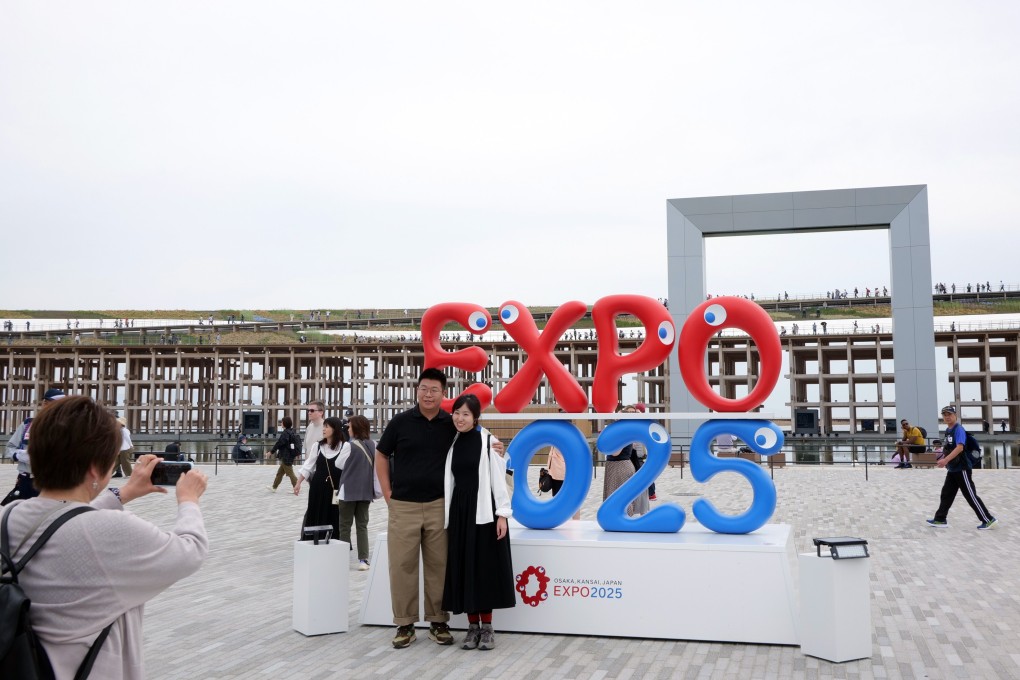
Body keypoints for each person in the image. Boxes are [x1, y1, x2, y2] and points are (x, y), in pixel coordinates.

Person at [0, 395, 208, 680]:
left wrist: (124, 493)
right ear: (95, 469)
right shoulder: (114, 530)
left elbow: (60, 520)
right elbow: (191, 550)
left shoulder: (9, 515)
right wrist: (189, 500)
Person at [374, 368, 504, 649]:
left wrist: (495, 446)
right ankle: (405, 624)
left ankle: (438, 622)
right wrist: (387, 492)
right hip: (403, 506)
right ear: (416, 390)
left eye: (434, 390)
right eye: (423, 388)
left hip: (439, 506)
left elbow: (478, 437)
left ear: (443, 394)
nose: (428, 394)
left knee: (439, 567)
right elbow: (381, 454)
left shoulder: (451, 423)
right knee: (401, 566)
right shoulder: (400, 422)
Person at [441, 393, 515, 651]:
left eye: (465, 414)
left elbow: (498, 480)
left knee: (483, 569)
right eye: (456, 413)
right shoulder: (451, 441)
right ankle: (471, 628)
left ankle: (487, 629)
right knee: (464, 568)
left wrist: (502, 514)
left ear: (475, 418)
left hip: (483, 512)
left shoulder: (488, 442)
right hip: (460, 513)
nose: (459, 418)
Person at [926, 406, 998, 530]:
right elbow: (949, 448)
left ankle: (988, 519)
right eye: (944, 415)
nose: (947, 417)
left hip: (962, 468)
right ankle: (940, 519)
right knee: (946, 494)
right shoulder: (948, 430)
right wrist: (945, 460)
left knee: (970, 495)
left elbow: (960, 447)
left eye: (949, 414)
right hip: (953, 468)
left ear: (955, 416)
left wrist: (945, 460)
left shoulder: (959, 429)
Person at [3, 387, 65, 506]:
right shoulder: (28, 425)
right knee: (20, 520)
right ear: (45, 404)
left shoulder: (68, 428)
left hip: (53, 482)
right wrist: (19, 455)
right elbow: (9, 448)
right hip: (27, 481)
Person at [335, 415, 379, 570]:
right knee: (362, 525)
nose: (348, 428)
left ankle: (343, 559)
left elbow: (338, 464)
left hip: (348, 491)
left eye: (350, 426)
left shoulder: (349, 446)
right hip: (365, 490)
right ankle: (363, 560)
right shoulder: (373, 444)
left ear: (356, 428)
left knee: (345, 526)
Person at [294, 416, 344, 541]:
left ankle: (334, 540)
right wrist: (298, 482)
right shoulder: (317, 446)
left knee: (335, 513)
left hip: (336, 488)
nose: (324, 429)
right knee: (315, 511)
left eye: (327, 426)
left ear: (335, 429)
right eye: (324, 426)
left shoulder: (344, 447)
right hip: (318, 487)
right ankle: (314, 539)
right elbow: (308, 466)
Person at [602, 405, 648, 517]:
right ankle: (623, 519)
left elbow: (615, 452)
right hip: (619, 465)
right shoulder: (628, 430)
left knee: (618, 497)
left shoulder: (622, 432)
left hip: (619, 466)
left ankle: (623, 520)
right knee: (621, 496)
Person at [267, 416, 300, 492]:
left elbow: (279, 443)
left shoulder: (285, 433)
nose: (281, 423)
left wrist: (271, 452)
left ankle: (296, 488)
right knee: (280, 473)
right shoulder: (291, 432)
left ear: (285, 423)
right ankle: (274, 487)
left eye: (282, 422)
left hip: (286, 456)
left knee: (290, 473)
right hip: (289, 455)